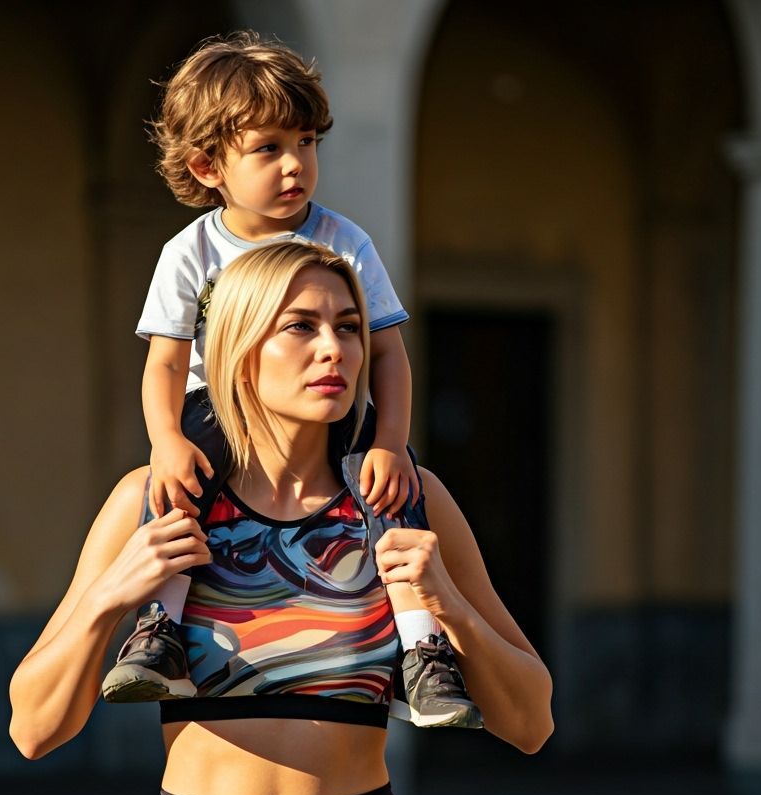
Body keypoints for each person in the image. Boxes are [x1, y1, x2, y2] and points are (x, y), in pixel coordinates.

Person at [8, 241, 554, 795]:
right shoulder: (154, 500)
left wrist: (450, 607)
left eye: (349, 326)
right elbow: (32, 726)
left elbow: (533, 722)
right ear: (237, 350)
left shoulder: (406, 499)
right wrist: (111, 597)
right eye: (299, 326)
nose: (334, 348)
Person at [104, 30, 480, 729]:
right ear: (207, 165)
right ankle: (160, 628)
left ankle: (424, 653)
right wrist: (164, 442)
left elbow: (389, 354)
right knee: (178, 489)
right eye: (268, 148)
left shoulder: (343, 240)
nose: (294, 165)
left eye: (306, 143)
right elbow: (162, 361)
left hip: (339, 413)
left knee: (395, 500)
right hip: (214, 408)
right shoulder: (191, 251)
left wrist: (391, 443)